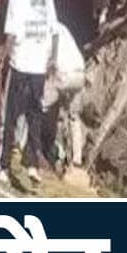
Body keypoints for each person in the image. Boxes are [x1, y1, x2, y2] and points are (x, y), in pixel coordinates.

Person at [0, 0, 58, 186]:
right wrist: (50, 59)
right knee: (34, 115)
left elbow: (12, 32)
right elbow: (53, 31)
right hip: (39, 66)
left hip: (20, 62)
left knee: (10, 116)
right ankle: (32, 164)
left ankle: (3, 166)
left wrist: (4, 56)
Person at [41, 20, 88, 172]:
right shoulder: (63, 28)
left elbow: (48, 59)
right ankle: (77, 159)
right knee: (74, 117)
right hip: (80, 73)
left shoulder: (46, 30)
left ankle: (26, 147)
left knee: (41, 105)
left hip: (64, 73)